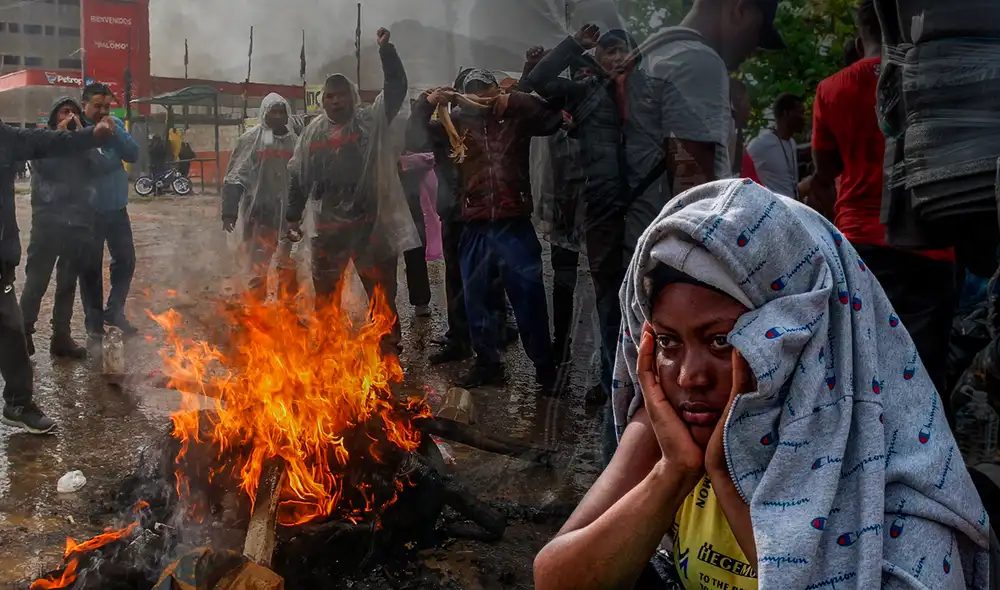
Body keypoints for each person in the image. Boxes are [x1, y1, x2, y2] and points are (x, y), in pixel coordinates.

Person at [533, 179, 991, 590]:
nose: (690, 377)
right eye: (669, 342)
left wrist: (725, 482)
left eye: (721, 341)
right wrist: (674, 473)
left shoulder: (882, 468)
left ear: (803, 341)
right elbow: (555, 578)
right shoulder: (669, 427)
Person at [809, 0, 957, 395]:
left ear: (860, 40)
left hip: (858, 246)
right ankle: (929, 450)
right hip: (930, 242)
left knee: (859, 366)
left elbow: (825, 171)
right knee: (926, 371)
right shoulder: (932, 80)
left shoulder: (832, 89)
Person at [413, 72, 562, 390]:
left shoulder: (516, 121)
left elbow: (552, 118)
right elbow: (410, 137)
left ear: (497, 91)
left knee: (529, 299)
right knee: (476, 299)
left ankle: (545, 369)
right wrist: (426, 103)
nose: (480, 97)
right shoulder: (453, 126)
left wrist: (515, 99)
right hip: (475, 226)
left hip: (514, 225)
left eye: (487, 90)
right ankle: (488, 364)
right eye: (473, 92)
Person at [286, 27, 417, 353]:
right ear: (323, 100)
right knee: (326, 292)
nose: (336, 100)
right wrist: (292, 216)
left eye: (341, 94)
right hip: (329, 228)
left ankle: (388, 347)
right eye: (330, 96)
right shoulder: (313, 134)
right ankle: (328, 348)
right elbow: (297, 176)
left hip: (369, 226)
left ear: (352, 96)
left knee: (381, 292)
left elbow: (397, 88)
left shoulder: (369, 121)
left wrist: (387, 52)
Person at [0, 113, 116, 433]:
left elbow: (44, 141)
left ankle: (18, 403)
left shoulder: (4, 137)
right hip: (43, 230)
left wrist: (90, 135)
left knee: (10, 331)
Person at [19, 97, 97, 360]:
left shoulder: (82, 145)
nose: (70, 116)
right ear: (54, 117)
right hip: (47, 221)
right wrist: (61, 136)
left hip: (76, 222)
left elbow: (94, 169)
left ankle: (61, 338)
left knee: (67, 283)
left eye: (74, 113)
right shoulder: (43, 141)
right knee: (37, 281)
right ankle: (22, 334)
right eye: (65, 112)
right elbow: (46, 169)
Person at [77, 83, 141, 340]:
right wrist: (110, 156)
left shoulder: (115, 126)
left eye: (107, 106)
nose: (103, 111)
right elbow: (94, 165)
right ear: (84, 105)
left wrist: (115, 132)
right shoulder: (78, 130)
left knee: (126, 260)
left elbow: (134, 153)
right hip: (88, 213)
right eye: (97, 106)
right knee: (91, 268)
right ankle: (93, 324)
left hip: (117, 209)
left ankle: (115, 311)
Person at [222, 93, 299, 300]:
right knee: (258, 266)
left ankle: (287, 311)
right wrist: (229, 210)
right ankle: (257, 311)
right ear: (264, 113)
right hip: (260, 215)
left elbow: (304, 176)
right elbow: (236, 175)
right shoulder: (252, 140)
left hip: (289, 217)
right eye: (272, 111)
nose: (277, 116)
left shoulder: (295, 142)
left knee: (287, 265)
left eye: (281, 111)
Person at [746, 92, 805, 198]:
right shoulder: (761, 144)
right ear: (787, 113)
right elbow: (741, 174)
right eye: (800, 113)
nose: (804, 118)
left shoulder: (791, 142)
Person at [728, 77, 761, 184]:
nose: (749, 107)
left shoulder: (735, 139)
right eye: (746, 101)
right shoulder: (729, 140)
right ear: (737, 101)